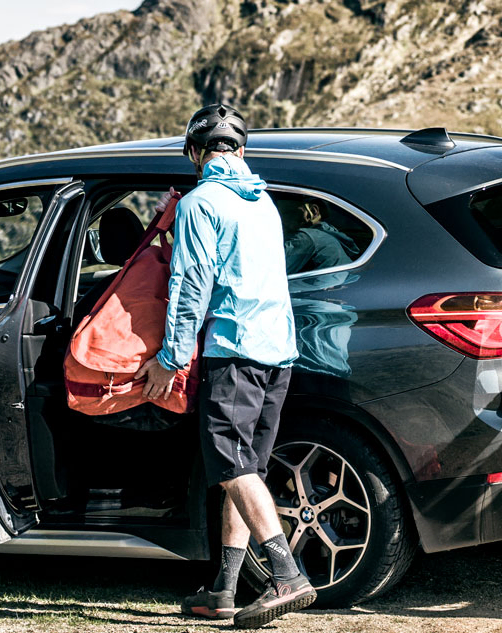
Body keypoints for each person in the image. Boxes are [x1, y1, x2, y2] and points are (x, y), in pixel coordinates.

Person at [137, 104, 313, 628]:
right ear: (242, 150)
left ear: (194, 153)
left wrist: (169, 358)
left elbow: (190, 287)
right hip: (277, 353)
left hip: (233, 351)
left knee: (232, 466)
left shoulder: (199, 203)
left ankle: (286, 574)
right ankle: (225, 589)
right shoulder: (264, 204)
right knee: (246, 470)